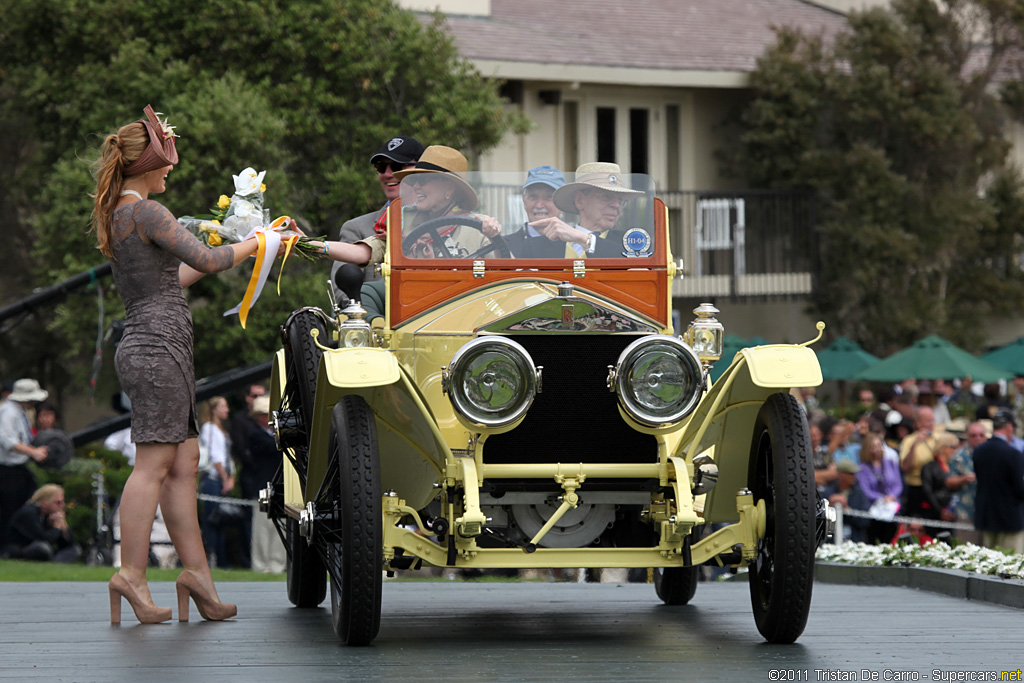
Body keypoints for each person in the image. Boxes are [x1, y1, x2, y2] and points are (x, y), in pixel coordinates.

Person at [93, 105, 249, 623]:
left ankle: (196, 576)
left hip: (161, 347)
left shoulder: (124, 213)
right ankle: (130, 575)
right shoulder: (146, 211)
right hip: (157, 349)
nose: (170, 170)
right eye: (166, 162)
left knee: (184, 466)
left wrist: (229, 242)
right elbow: (208, 260)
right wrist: (256, 243)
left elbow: (175, 278)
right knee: (154, 466)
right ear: (146, 164)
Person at [329, 135, 424, 290]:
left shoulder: (445, 222)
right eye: (381, 167)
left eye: (397, 166)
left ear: (421, 172)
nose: (387, 174)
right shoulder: (356, 228)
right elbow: (344, 294)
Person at [545, 161, 645, 258]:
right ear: (580, 200)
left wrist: (586, 240)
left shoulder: (630, 242)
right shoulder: (545, 243)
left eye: (620, 200)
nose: (616, 205)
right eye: (606, 197)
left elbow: (643, 265)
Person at [0, 378, 51, 547]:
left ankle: (21, 543)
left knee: (25, 505)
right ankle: (8, 547)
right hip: (8, 471)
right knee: (10, 510)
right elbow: (8, 442)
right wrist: (33, 452)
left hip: (19, 469)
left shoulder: (18, 412)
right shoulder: (8, 412)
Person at [972, 410, 1024, 554]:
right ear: (1009, 426)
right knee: (1010, 562)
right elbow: (1019, 489)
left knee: (989, 562)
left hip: (987, 516)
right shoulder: (1013, 454)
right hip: (1010, 518)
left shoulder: (979, 451)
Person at [245, 396, 286, 573]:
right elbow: (275, 448)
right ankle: (261, 565)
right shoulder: (254, 434)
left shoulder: (273, 434)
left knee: (279, 528)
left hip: (279, 485)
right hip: (263, 484)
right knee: (262, 529)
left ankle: (277, 564)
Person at [199, 396, 236, 569]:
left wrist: (231, 477)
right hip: (214, 479)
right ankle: (213, 557)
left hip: (224, 480)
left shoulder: (223, 430)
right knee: (212, 520)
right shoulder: (209, 429)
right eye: (223, 406)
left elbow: (228, 455)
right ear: (214, 409)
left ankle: (223, 559)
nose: (226, 410)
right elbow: (215, 456)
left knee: (221, 521)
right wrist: (224, 477)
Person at [504, 165, 572, 257]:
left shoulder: (575, 245)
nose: (539, 205)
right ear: (524, 200)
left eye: (549, 197)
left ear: (563, 203)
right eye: (533, 196)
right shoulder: (506, 247)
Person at [2, 484, 80, 562]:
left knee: (74, 550)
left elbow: (69, 544)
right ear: (45, 503)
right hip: (20, 548)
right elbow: (43, 539)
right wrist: (56, 527)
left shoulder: (49, 515)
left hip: (41, 548)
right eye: (58, 503)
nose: (62, 505)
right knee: (42, 548)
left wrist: (62, 524)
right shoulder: (29, 512)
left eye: (63, 502)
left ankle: (53, 565)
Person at [921, 432, 974, 538]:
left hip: (955, 512)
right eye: (953, 447)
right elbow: (928, 491)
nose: (956, 451)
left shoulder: (957, 467)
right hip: (935, 513)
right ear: (942, 448)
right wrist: (940, 511)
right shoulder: (929, 467)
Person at [856, 431, 902, 543]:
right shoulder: (863, 468)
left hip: (892, 508)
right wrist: (881, 498)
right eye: (873, 447)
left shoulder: (890, 463)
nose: (876, 449)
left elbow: (898, 484)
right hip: (874, 510)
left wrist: (891, 496)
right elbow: (865, 489)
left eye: (878, 446)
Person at [948, 421, 986, 544]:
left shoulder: (993, 454)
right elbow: (949, 481)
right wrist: (963, 479)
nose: (978, 438)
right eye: (973, 435)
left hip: (989, 513)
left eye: (981, 435)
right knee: (966, 550)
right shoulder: (959, 456)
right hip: (966, 511)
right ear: (967, 436)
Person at [899, 405, 938, 519]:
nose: (931, 423)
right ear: (918, 423)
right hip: (915, 488)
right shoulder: (909, 440)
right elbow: (905, 467)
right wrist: (915, 445)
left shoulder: (938, 438)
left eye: (932, 420)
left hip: (934, 488)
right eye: (927, 420)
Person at [824, 460, 871, 543]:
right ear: (841, 475)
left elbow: (865, 521)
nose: (854, 476)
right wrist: (830, 507)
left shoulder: (859, 494)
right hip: (831, 543)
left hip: (854, 541)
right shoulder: (829, 492)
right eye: (851, 474)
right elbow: (820, 522)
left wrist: (847, 509)